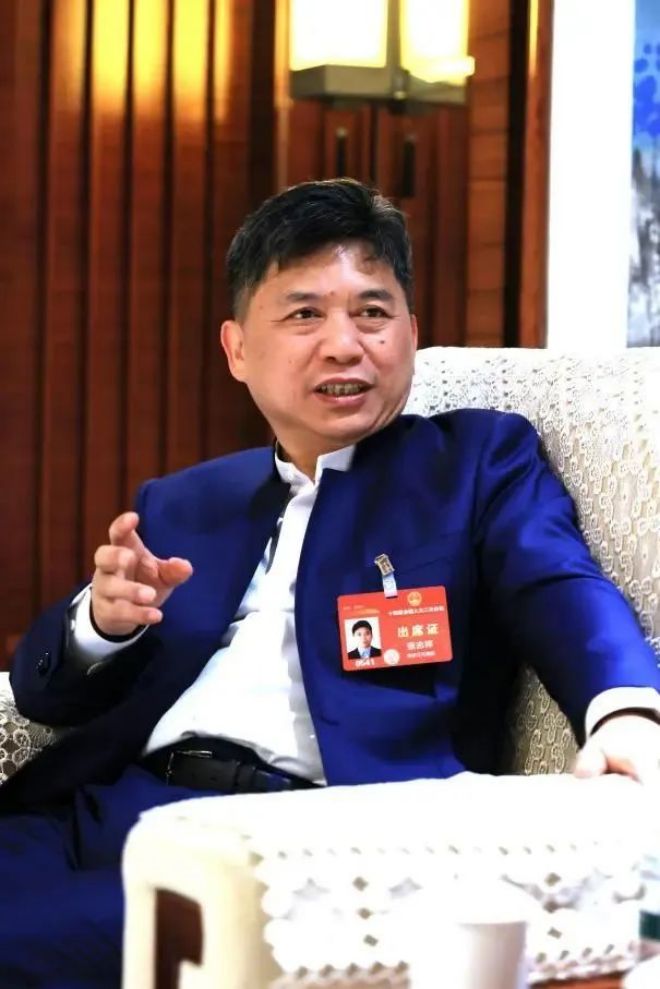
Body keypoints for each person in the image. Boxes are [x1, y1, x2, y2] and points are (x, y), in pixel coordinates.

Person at [3, 177, 660, 986]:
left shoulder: (473, 465)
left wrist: (626, 710)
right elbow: (45, 693)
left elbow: (558, 583)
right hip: (101, 816)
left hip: (293, 847)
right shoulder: (183, 501)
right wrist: (102, 624)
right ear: (238, 349)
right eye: (305, 314)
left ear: (411, 332)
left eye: (373, 312)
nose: (345, 345)